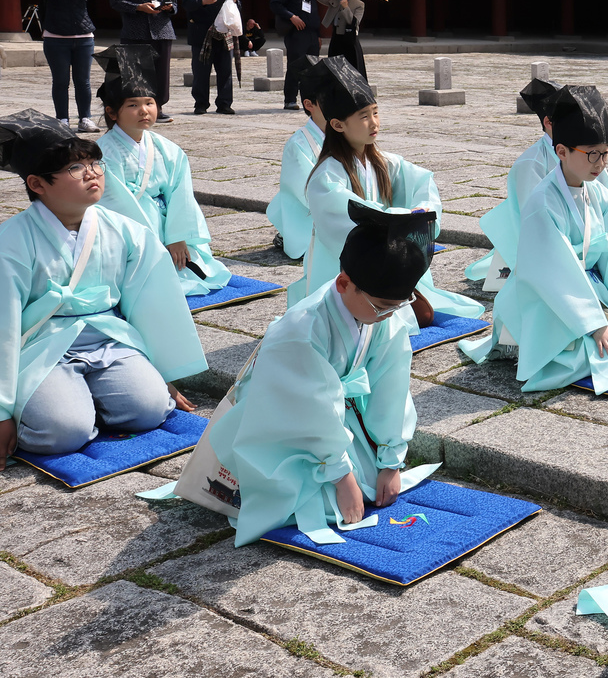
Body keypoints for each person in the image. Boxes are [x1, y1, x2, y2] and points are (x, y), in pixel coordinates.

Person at [210, 204, 432, 546]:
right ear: (343, 283)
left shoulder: (382, 316)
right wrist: (341, 477)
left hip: (331, 416)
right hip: (282, 419)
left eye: (397, 306)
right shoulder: (300, 329)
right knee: (317, 502)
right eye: (380, 307)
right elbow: (307, 408)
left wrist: (391, 459)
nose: (389, 316)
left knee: (375, 484)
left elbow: (392, 386)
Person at [0, 110, 205, 463]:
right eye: (74, 168)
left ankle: (83, 395)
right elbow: (3, 324)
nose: (92, 173)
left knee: (151, 408)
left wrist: (164, 373)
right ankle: (59, 402)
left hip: (110, 337)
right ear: (37, 184)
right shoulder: (12, 240)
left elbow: (150, 304)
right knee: (62, 433)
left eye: (95, 162)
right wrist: (2, 412)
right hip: (42, 343)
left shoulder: (127, 231)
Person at [463, 86, 608, 392]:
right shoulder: (542, 201)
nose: (600, 163)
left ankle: (584, 342)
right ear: (560, 151)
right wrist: (596, 324)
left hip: (591, 286)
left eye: (605, 153)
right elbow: (552, 269)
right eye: (591, 154)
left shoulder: (598, 190)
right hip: (548, 294)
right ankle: (526, 342)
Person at [290, 57, 485, 329]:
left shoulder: (382, 161)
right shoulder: (326, 175)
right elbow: (351, 222)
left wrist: (421, 211)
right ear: (337, 125)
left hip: (386, 256)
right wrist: (402, 217)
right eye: (364, 116)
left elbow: (421, 181)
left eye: (375, 113)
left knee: (421, 315)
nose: (373, 123)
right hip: (348, 268)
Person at [93, 45, 232, 297]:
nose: (144, 110)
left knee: (196, 268)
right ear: (112, 112)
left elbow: (181, 193)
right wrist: (153, 241)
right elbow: (115, 203)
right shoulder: (103, 153)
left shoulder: (167, 149)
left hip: (166, 223)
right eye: (132, 105)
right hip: (128, 229)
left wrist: (177, 235)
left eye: (149, 102)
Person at [466, 79, 608, 284]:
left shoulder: (589, 157)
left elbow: (606, 201)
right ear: (548, 123)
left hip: (587, 244)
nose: (600, 163)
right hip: (545, 251)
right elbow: (532, 221)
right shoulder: (531, 163)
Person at [34, 0, 107, 134]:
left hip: (83, 37)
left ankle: (85, 119)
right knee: (61, 81)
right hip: (56, 38)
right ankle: (62, 120)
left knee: (83, 81)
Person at [267, 56, 331, 259]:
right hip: (312, 217)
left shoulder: (342, 133)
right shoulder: (298, 145)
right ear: (309, 104)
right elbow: (308, 194)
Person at [108, 0, 177, 124]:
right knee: (135, 73)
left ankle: (158, 108)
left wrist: (169, 7)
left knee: (161, 73)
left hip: (162, 31)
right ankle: (135, 109)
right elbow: (115, 0)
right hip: (134, 31)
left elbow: (175, 1)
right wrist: (138, 7)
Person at [181, 0, 239, 116]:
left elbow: (237, 10)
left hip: (224, 36)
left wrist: (234, 1)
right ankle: (200, 104)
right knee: (201, 72)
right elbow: (186, 4)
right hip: (201, 36)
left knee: (225, 72)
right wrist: (202, 2)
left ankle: (224, 104)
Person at [271, 0, 322, 111]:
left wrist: (318, 34)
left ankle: (310, 100)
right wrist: (291, 17)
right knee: (296, 66)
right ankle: (290, 100)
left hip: (311, 34)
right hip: (296, 33)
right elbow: (275, 4)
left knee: (312, 68)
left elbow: (313, 11)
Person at [318, 0, 367, 79]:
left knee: (351, 67)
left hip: (349, 39)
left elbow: (353, 22)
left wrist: (346, 8)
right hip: (336, 37)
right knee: (334, 66)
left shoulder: (359, 4)